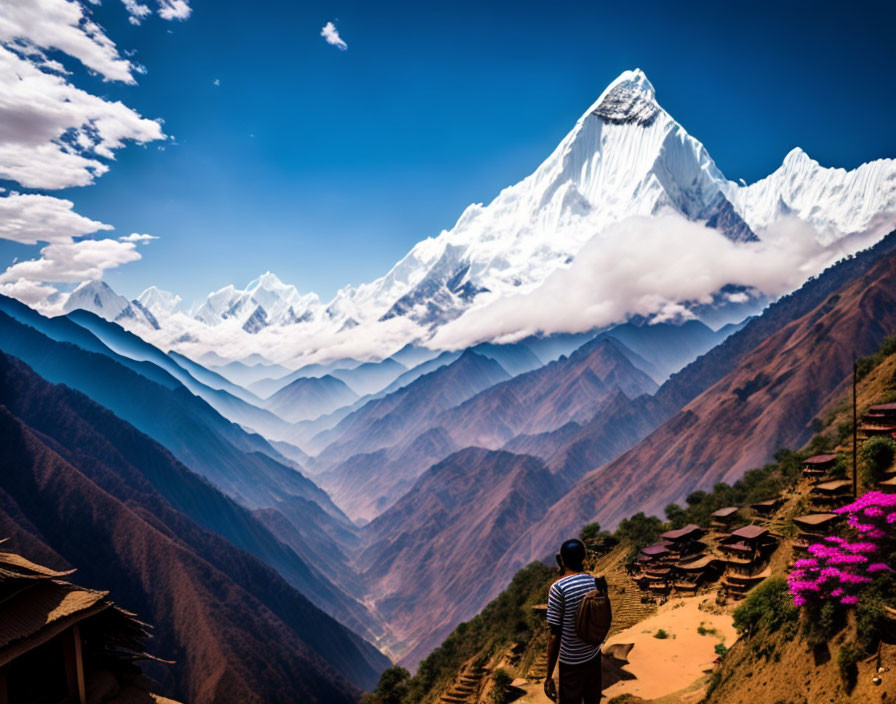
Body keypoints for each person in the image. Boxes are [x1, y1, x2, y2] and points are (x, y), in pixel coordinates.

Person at [544, 538, 602, 703]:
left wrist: (548, 676)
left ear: (561, 560)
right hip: (593, 656)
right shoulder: (593, 581)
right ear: (583, 558)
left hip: (571, 663)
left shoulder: (558, 588)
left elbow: (555, 635)